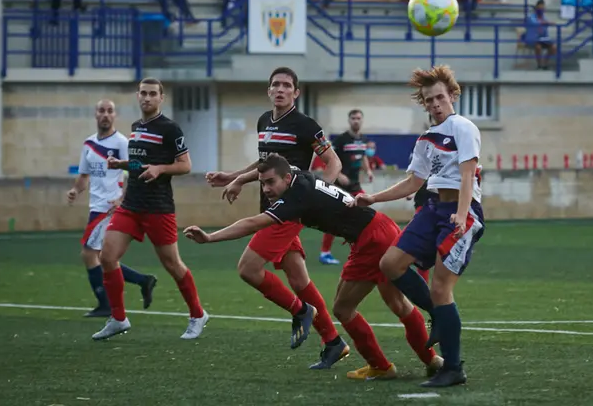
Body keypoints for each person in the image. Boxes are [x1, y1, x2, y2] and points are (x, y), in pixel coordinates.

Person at [184, 154, 443, 380]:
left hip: (369, 240)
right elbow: (273, 167)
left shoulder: (295, 198)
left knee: (343, 308)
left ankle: (380, 366)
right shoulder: (297, 174)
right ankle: (432, 361)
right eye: (262, 183)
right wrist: (240, 178)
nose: (266, 189)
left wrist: (210, 237)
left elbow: (252, 223)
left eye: (270, 182)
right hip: (381, 226)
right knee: (398, 304)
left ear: (286, 179)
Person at [205, 67, 349, 369]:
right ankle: (334, 342)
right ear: (269, 91)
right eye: (275, 85)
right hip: (269, 207)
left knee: (248, 268)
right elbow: (264, 163)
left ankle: (300, 311)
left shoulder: (306, 125)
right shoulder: (264, 121)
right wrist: (235, 177)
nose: (280, 89)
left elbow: (332, 160)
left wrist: (320, 191)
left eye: (286, 85)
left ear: (295, 92)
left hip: (288, 211)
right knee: (299, 279)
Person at [352, 65, 485, 388]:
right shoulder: (426, 138)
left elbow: (468, 175)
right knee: (390, 264)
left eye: (440, 97)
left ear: (452, 96)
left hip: (461, 212)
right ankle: (438, 316)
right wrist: (373, 198)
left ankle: (453, 368)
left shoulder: (463, 127)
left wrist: (461, 215)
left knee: (441, 289)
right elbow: (414, 182)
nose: (435, 103)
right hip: (432, 208)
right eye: (429, 100)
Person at [91, 78, 208, 341]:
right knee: (107, 256)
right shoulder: (136, 127)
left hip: (158, 207)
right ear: (137, 95)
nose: (147, 98)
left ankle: (198, 314)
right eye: (143, 93)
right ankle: (119, 319)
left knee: (172, 264)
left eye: (152, 94)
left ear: (161, 98)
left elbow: (186, 165)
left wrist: (161, 168)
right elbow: (139, 165)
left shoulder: (170, 128)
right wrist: (121, 164)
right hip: (131, 205)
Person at [66, 99, 158, 318]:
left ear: (114, 116)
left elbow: (135, 169)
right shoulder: (88, 144)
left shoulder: (122, 143)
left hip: (109, 207)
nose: (105, 115)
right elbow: (84, 176)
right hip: (95, 206)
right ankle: (143, 280)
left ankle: (106, 304)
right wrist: (75, 190)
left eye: (110, 111)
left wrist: (122, 198)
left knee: (90, 254)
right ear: (95, 115)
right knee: (103, 256)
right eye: (101, 111)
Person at [317, 109, 374, 265]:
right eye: (353, 118)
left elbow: (363, 157)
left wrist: (368, 170)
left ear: (362, 120)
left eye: (359, 118)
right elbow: (328, 159)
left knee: (366, 212)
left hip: (355, 185)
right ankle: (325, 253)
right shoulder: (341, 140)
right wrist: (338, 175)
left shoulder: (363, 139)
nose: (356, 121)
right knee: (334, 218)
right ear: (349, 120)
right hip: (340, 186)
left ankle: (362, 251)